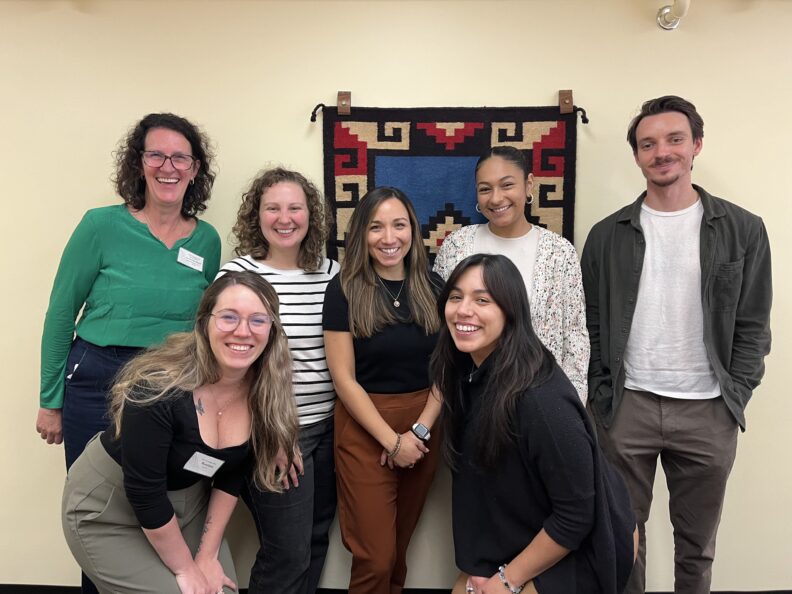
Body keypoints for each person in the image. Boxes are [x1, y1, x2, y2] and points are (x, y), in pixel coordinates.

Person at [581, 95, 772, 594]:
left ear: (696, 146)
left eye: (673, 139)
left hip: (709, 411)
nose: (661, 151)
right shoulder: (606, 235)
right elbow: (594, 325)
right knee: (624, 539)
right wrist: (602, 397)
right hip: (627, 406)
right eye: (648, 144)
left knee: (697, 547)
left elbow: (753, 323)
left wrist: (737, 396)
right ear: (637, 156)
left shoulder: (744, 230)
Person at [62, 271, 299, 594]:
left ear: (272, 331)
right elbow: (145, 495)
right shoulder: (158, 387)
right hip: (109, 508)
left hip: (186, 507)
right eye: (229, 317)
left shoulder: (265, 389)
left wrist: (206, 556)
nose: (243, 331)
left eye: (258, 320)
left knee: (221, 590)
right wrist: (187, 569)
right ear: (204, 322)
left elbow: (232, 474)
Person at [431, 254, 636, 594]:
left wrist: (507, 580)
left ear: (510, 311)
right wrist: (481, 570)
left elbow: (577, 515)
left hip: (582, 548)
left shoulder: (541, 400)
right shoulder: (468, 371)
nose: (463, 310)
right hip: (519, 538)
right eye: (456, 297)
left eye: (482, 300)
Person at [218, 167, 339, 594]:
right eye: (273, 208)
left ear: (311, 216)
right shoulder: (238, 277)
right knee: (286, 553)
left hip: (328, 429)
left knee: (315, 538)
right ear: (258, 215)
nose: (284, 218)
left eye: (295, 208)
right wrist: (272, 433)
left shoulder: (332, 275)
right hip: (272, 433)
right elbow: (226, 368)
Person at [323, 187, 443, 594]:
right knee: (375, 555)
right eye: (376, 227)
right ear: (361, 234)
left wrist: (420, 432)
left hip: (425, 425)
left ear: (413, 230)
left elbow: (445, 368)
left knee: (398, 549)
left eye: (399, 225)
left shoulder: (436, 286)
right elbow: (344, 378)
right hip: (364, 424)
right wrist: (392, 442)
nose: (389, 237)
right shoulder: (343, 289)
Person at [433, 146, 589, 402]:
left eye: (507, 185)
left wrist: (570, 407)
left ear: (529, 185)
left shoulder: (559, 253)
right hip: (467, 397)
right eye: (485, 189)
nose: (496, 199)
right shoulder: (457, 245)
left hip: (538, 400)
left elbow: (575, 340)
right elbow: (440, 321)